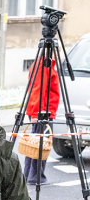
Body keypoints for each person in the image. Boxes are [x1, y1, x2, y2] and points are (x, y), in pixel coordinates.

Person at [21, 56, 60, 186]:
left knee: (35, 144)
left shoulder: (42, 63)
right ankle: (35, 175)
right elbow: (37, 90)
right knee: (40, 145)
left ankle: (30, 174)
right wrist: (37, 113)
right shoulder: (44, 64)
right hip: (43, 111)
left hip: (42, 110)